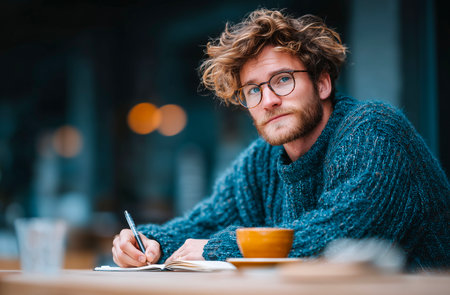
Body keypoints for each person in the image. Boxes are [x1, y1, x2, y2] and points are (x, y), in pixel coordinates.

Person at [112, 8, 449, 270]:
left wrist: (220, 247)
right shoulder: (261, 161)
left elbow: (337, 239)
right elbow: (203, 224)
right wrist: (150, 242)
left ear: (322, 84)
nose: (269, 100)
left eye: (283, 79)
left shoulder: (374, 130)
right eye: (254, 90)